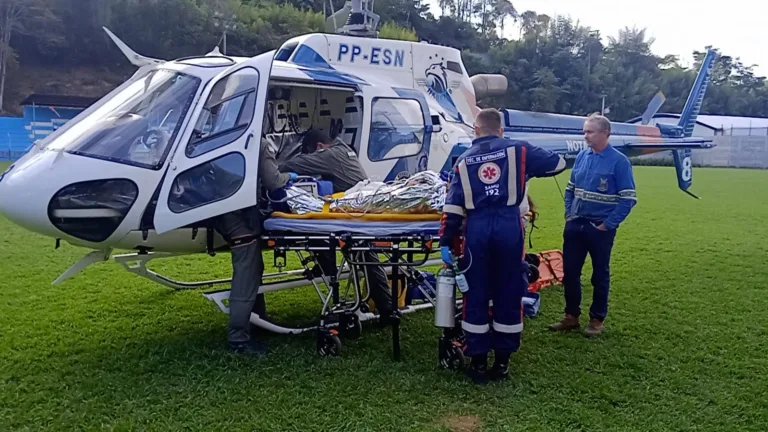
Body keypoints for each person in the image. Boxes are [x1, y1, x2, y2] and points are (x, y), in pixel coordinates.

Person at [439, 108, 566, 384]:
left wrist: (446, 241)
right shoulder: (518, 150)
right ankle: (503, 362)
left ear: (476, 130)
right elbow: (557, 163)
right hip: (510, 227)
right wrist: (524, 168)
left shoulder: (462, 160)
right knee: (509, 291)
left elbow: (452, 208)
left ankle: (478, 362)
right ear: (500, 130)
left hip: (477, 229)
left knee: (475, 293)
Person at [278, 129, 397, 323]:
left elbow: (293, 165)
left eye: (313, 153)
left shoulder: (330, 155)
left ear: (319, 147)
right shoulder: (344, 150)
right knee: (367, 260)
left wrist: (272, 169)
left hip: (355, 219)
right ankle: (385, 308)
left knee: (363, 258)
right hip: (361, 212)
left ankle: (386, 309)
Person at [550, 113, 637, 337]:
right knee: (570, 273)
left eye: (590, 131)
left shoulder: (619, 161)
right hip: (575, 226)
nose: (585, 135)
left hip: (599, 229)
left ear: (605, 133)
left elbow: (628, 198)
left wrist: (607, 225)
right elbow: (570, 189)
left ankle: (596, 320)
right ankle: (571, 317)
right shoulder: (581, 156)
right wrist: (569, 214)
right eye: (584, 131)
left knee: (599, 275)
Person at [214, 138, 298, 356]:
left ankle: (258, 321)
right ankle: (238, 340)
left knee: (254, 267)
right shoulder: (256, 142)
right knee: (246, 274)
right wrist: (290, 176)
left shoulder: (227, 137)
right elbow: (273, 180)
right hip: (239, 218)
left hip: (225, 210)